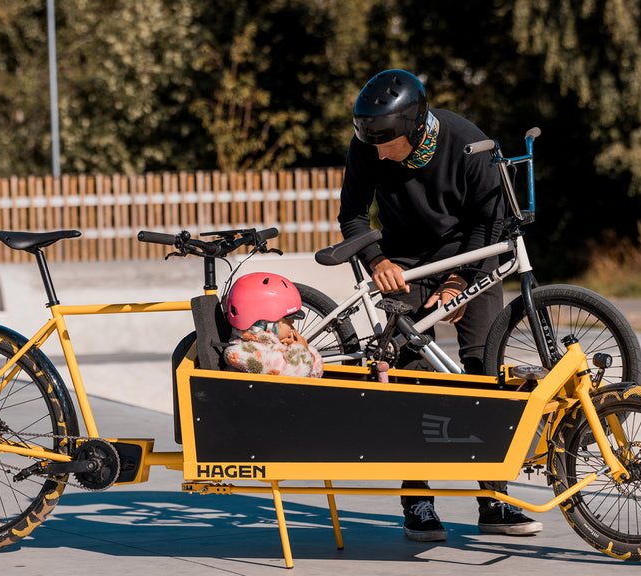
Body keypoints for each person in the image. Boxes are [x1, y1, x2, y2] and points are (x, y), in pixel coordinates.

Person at [337, 69, 542, 541]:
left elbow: (489, 224)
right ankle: (419, 503)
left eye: (385, 140)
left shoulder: (468, 144)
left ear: (413, 128)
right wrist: (377, 259)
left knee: (484, 370)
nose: (376, 149)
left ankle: (494, 500)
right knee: (413, 376)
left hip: (469, 254)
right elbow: (351, 214)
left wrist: (458, 283)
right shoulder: (368, 143)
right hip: (403, 258)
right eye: (367, 137)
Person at [223, 272, 324, 378]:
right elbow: (292, 375)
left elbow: (313, 376)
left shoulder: (273, 343)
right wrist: (301, 350)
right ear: (265, 324)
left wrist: (309, 355)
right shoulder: (240, 353)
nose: (292, 322)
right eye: (287, 319)